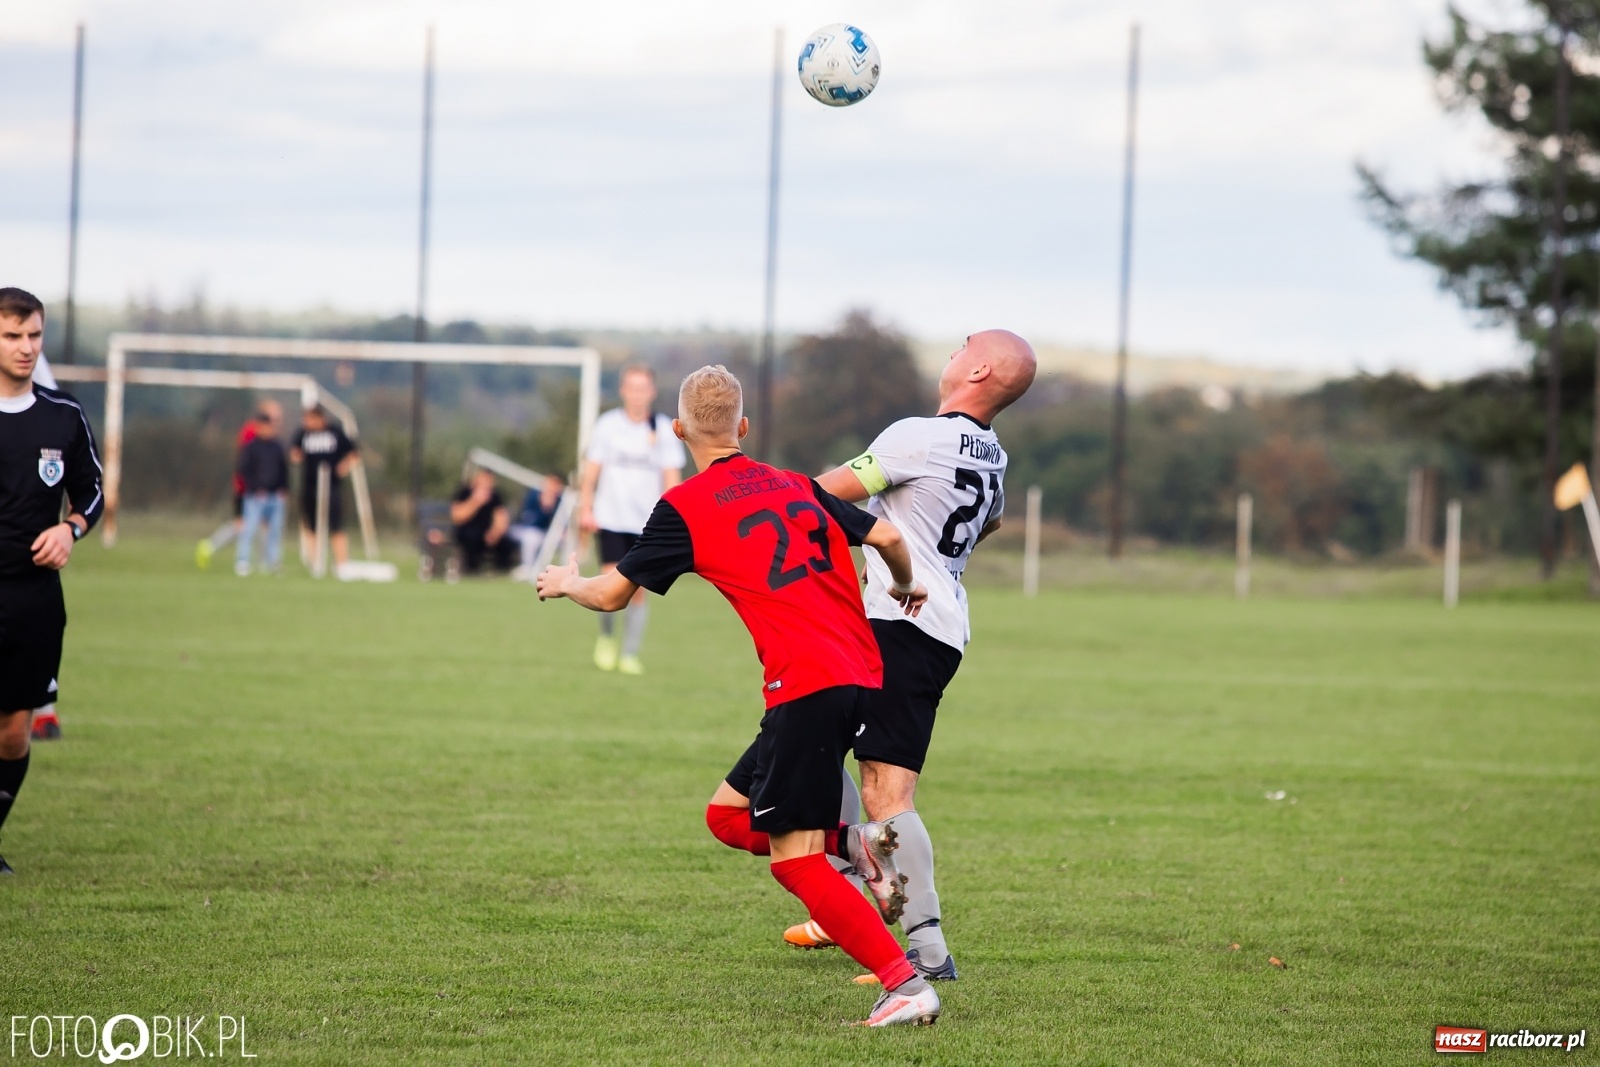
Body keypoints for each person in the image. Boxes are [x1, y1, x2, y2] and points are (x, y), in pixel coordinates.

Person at [538, 365, 943, 1028]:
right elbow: (890, 537)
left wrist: (567, 580)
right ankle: (854, 846)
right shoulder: (796, 485)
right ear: (744, 428)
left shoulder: (687, 507)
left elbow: (614, 593)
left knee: (794, 865)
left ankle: (905, 983)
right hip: (858, 673)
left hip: (806, 685)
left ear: (676, 431)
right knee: (728, 817)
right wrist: (901, 588)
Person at [768, 330, 1038, 981]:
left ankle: (924, 948)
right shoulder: (993, 454)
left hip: (900, 622)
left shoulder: (918, 435)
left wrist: (750, 496)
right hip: (938, 624)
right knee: (821, 745)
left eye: (962, 344)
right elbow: (991, 520)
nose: (951, 350)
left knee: (886, 790)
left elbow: (820, 493)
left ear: (976, 368)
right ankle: (849, 905)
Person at [0, 287, 104, 875]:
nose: (25, 347)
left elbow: (93, 489)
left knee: (14, 733)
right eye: (13, 335)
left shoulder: (62, 414)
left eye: (34, 335)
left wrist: (72, 528)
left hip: (34, 598)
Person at [578, 364, 685, 675]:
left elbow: (671, 478)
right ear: (623, 391)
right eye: (632, 388)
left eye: (643, 388)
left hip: (646, 523)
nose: (637, 395)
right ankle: (607, 638)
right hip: (611, 517)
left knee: (637, 588)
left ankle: (629, 652)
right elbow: (591, 472)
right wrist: (586, 508)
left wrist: (672, 518)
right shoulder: (608, 426)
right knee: (609, 579)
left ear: (651, 392)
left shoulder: (664, 428)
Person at [196, 399, 283, 570]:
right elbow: (248, 462)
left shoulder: (270, 434)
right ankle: (211, 546)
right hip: (248, 488)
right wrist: (252, 486)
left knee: (259, 526)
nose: (278, 419)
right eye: (275, 415)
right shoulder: (252, 432)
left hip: (259, 489)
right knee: (243, 525)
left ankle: (264, 562)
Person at [290, 405, 358, 569]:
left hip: (332, 487)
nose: (306, 422)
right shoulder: (303, 434)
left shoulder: (335, 432)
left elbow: (353, 453)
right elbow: (294, 452)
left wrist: (344, 466)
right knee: (311, 526)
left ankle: (341, 564)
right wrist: (296, 457)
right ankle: (315, 563)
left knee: (336, 526)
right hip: (310, 486)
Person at [234, 406, 290, 576]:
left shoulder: (277, 446)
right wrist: (254, 488)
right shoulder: (250, 447)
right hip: (255, 497)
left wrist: (284, 489)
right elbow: (243, 470)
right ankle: (242, 561)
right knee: (249, 529)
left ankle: (273, 563)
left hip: (275, 496)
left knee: (275, 532)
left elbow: (283, 469)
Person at [451, 468, 516, 574]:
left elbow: (501, 517)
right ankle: (471, 570)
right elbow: (457, 516)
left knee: (506, 543)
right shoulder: (465, 493)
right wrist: (476, 501)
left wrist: (495, 533)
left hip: (487, 532)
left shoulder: (495, 496)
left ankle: (502, 572)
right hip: (468, 530)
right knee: (470, 539)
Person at [509, 472, 564, 578]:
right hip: (528, 530)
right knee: (531, 538)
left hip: (548, 534)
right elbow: (529, 520)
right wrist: (545, 508)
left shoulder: (561, 500)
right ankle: (527, 568)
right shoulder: (534, 496)